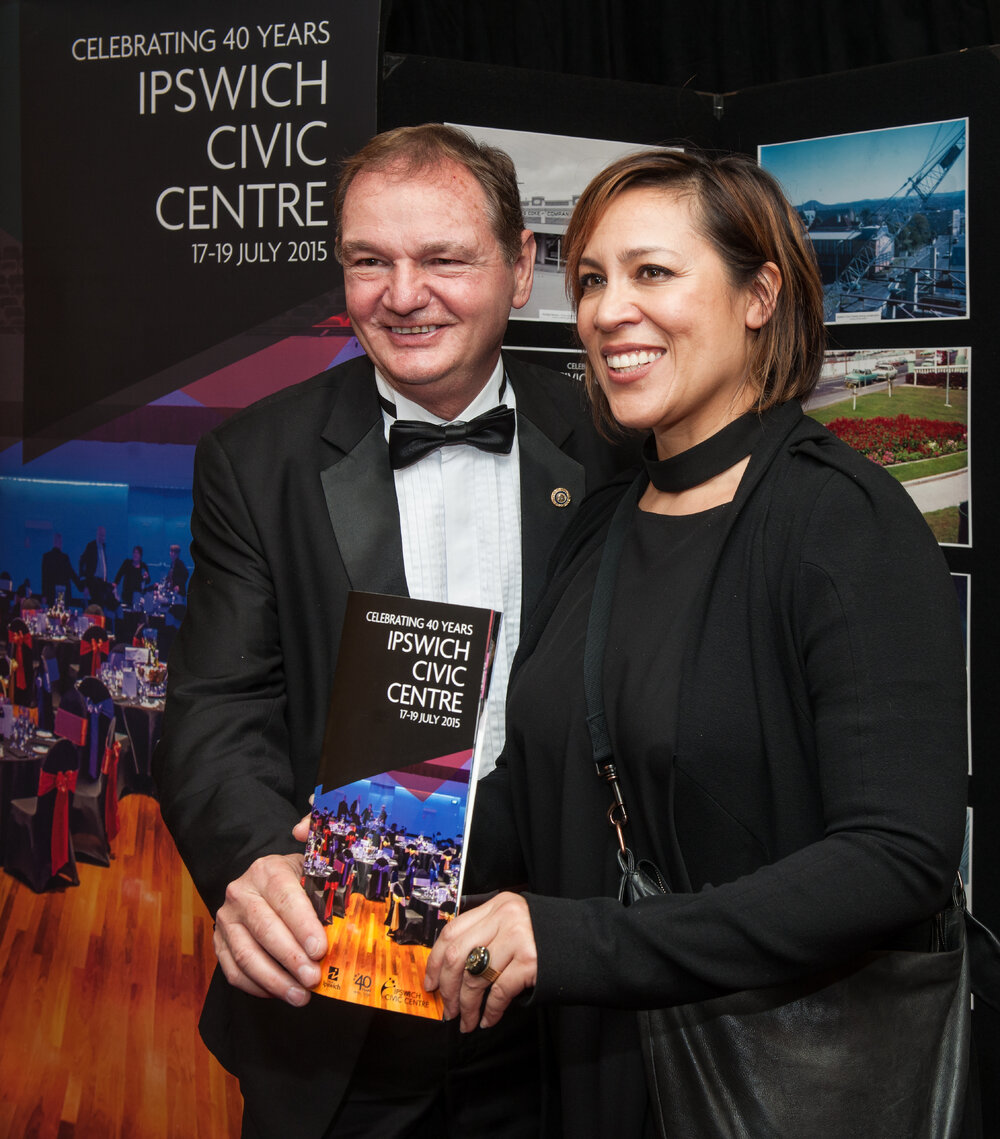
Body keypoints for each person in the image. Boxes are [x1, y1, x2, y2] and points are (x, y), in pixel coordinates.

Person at [425, 149, 968, 1136]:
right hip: (589, 1073)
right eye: (590, 278)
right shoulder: (605, 517)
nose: (605, 309)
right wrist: (377, 856)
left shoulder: (842, 523)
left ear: (759, 292)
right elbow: (539, 784)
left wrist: (582, 938)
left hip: (778, 1077)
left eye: (652, 272)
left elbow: (895, 857)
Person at [153, 123, 628, 1138]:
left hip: (561, 1019)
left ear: (518, 267)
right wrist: (252, 863)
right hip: (335, 1004)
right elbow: (217, 705)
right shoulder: (257, 458)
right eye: (370, 260)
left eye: (443, 258)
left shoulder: (611, 445)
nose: (401, 293)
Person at [78, 525, 115, 609]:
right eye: (100, 535)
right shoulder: (91, 546)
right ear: (97, 535)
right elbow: (82, 563)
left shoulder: (103, 547)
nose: (102, 537)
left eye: (103, 535)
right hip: (94, 582)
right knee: (95, 605)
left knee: (102, 605)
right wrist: (85, 584)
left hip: (102, 583)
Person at [41, 533, 82, 605]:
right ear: (60, 543)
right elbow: (72, 574)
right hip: (62, 592)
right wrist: (82, 587)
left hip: (51, 592)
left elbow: (44, 577)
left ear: (53, 542)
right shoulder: (64, 558)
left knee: (52, 613)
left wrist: (44, 595)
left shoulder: (47, 557)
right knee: (61, 611)